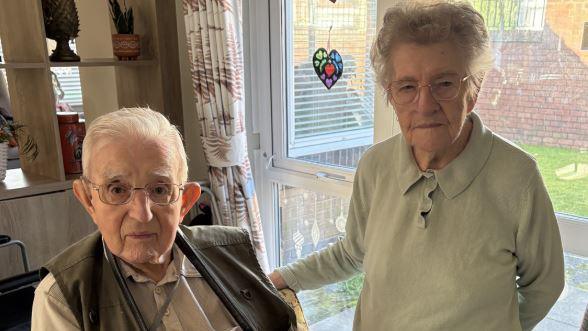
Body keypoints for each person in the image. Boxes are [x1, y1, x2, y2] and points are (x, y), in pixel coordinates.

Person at [269, 1, 565, 330]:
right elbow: (353, 253)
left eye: (445, 84)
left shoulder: (517, 178)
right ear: (390, 95)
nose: (424, 105)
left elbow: (545, 285)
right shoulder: (374, 167)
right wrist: (280, 278)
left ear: (474, 89)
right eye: (407, 87)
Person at [32, 107, 296, 330]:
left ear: (185, 201)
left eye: (159, 190)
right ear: (88, 200)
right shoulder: (61, 297)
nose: (142, 213)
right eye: (117, 189)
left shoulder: (233, 253)